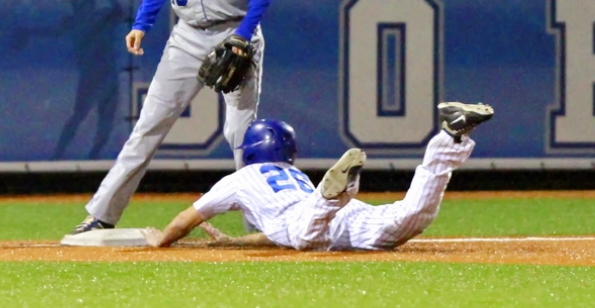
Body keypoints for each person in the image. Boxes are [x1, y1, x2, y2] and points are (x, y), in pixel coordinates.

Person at [71, 0, 277, 233]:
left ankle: (261, 224)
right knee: (147, 125)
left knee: (239, 134)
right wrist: (142, 23)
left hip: (234, 32)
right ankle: (101, 215)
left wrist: (243, 36)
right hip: (186, 36)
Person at [141, 102, 494, 251]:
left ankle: (334, 193)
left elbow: (186, 219)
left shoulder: (240, 179)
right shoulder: (294, 173)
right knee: (412, 216)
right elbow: (272, 238)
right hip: (340, 215)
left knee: (305, 235)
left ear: (250, 150)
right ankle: (449, 142)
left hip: (308, 217)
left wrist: (162, 240)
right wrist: (233, 243)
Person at [11, 0, 126, 160]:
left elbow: (122, 16)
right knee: (79, 116)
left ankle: (94, 155)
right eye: (78, 4)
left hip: (108, 77)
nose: (83, 8)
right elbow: (51, 32)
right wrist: (29, 32)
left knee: (106, 120)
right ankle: (58, 154)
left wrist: (113, 0)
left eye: (86, 3)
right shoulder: (72, 23)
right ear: (75, 7)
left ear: (92, 4)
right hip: (89, 78)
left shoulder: (104, 16)